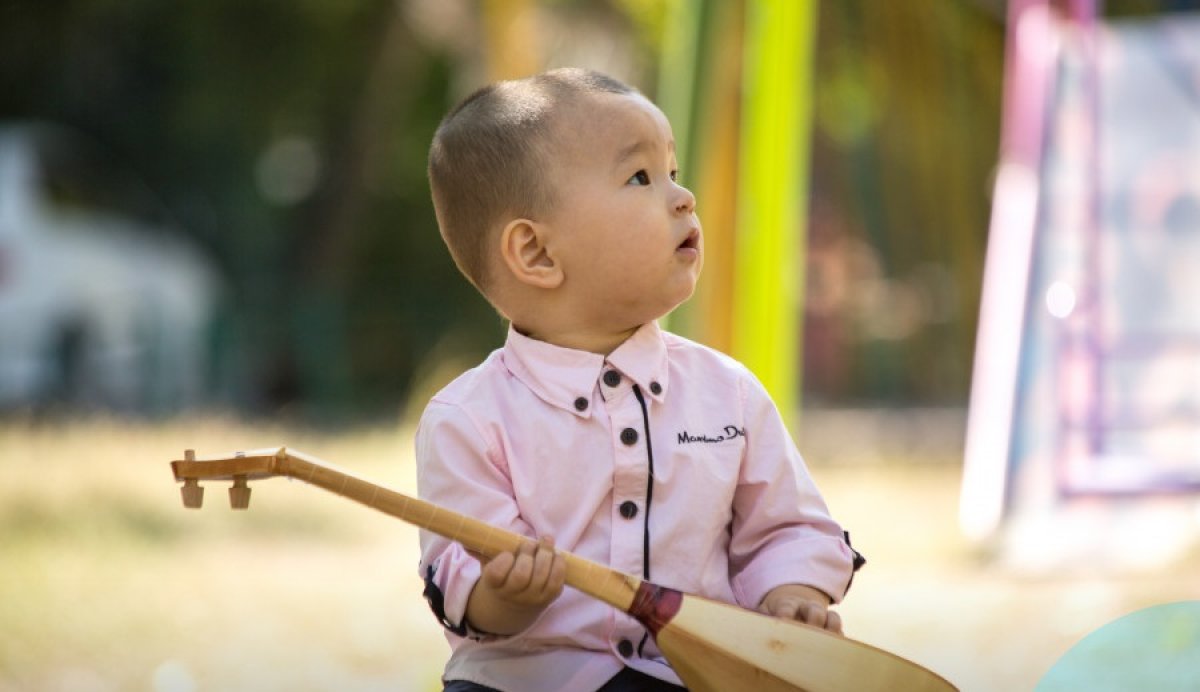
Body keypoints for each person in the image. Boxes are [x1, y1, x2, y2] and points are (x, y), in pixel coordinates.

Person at [417, 67, 863, 692]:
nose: (685, 198)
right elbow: (456, 573)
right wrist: (505, 596)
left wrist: (792, 595)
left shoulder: (727, 392)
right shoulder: (468, 419)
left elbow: (789, 527)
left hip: (694, 676)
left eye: (674, 173)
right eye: (640, 177)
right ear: (537, 253)